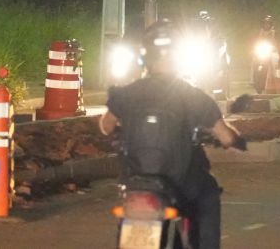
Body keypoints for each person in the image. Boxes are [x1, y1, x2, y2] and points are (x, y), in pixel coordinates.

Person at [99, 19, 245, 249]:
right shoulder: (193, 96)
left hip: (136, 182)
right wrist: (238, 141)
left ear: (145, 56)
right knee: (208, 195)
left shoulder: (128, 93)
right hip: (180, 183)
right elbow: (226, 137)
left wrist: (123, 132)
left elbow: (106, 126)